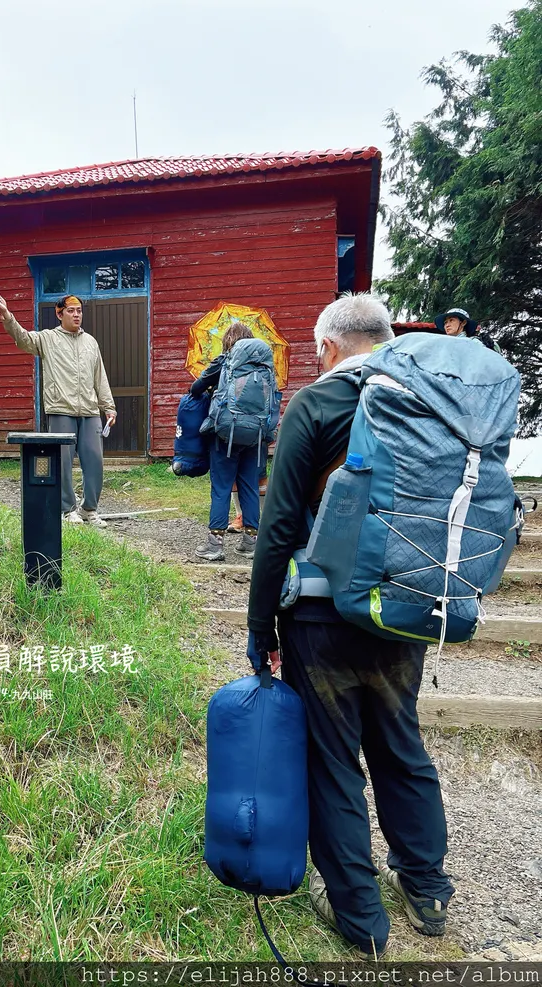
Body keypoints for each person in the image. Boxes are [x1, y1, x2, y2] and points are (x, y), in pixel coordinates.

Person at [247, 293, 453, 960]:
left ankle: (362, 919)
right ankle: (427, 887)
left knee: (333, 760)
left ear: (331, 349)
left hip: (323, 615)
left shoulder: (316, 403)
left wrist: (260, 628)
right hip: (405, 611)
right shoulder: (428, 406)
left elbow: (277, 527)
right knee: (400, 742)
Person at [0, 288, 116, 527]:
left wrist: (108, 407)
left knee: (95, 461)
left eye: (79, 311)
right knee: (63, 463)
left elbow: (100, 376)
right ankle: (68, 510)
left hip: (90, 411)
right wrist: (7, 315)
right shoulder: (48, 339)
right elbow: (23, 338)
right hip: (61, 409)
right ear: (60, 314)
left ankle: (90, 509)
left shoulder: (91, 342)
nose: (77, 315)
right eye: (71, 311)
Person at [192, 322, 263, 561]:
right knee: (250, 486)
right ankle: (251, 542)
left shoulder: (223, 361)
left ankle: (215, 545)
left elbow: (196, 388)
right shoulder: (264, 366)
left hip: (225, 435)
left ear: (228, 342)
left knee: (221, 487)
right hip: (256, 435)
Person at [435, 306, 501, 354]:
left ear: (463, 323)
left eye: (451, 320)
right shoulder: (445, 347)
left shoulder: (475, 343)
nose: (447, 325)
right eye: (445, 322)